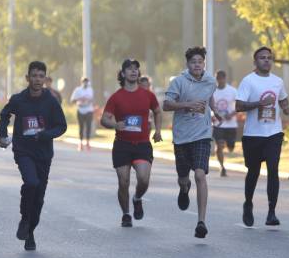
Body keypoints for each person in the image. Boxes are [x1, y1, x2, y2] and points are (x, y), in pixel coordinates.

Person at [0, 61, 67, 251]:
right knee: (31, 183)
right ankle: (24, 218)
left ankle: (30, 231)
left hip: (44, 154)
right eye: (34, 76)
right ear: (27, 78)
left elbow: (61, 126)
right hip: (23, 151)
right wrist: (3, 135)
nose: (37, 79)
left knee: (39, 198)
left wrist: (45, 134)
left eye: (41, 76)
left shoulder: (51, 101)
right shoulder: (18, 99)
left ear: (45, 79)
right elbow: (4, 115)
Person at [163, 46, 220, 239]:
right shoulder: (179, 82)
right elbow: (166, 104)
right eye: (193, 62)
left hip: (202, 135)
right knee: (184, 177)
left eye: (200, 62)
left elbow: (209, 96)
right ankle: (183, 188)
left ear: (204, 64)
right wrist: (187, 105)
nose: (197, 65)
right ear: (187, 64)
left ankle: (201, 222)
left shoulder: (211, 81)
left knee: (200, 175)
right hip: (181, 137)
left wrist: (215, 111)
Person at [101, 59, 163, 227]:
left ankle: (137, 198)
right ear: (123, 74)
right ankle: (126, 214)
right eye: (129, 69)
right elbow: (104, 119)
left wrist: (157, 131)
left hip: (142, 144)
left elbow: (157, 111)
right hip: (122, 144)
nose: (133, 71)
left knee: (143, 179)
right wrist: (115, 124)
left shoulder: (147, 95)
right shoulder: (116, 97)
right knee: (123, 181)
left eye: (136, 69)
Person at [236, 47, 289, 226]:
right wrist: (259, 104)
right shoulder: (248, 81)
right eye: (262, 58)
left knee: (273, 170)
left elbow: (283, 99)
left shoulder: (277, 81)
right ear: (255, 62)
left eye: (269, 58)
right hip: (253, 135)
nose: (266, 60)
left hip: (273, 133)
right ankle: (248, 203)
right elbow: (239, 106)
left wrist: (286, 107)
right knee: (253, 172)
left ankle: (271, 212)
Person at [211, 70, 239, 177]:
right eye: (218, 78)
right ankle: (222, 167)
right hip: (219, 124)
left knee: (231, 147)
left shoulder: (232, 91)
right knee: (219, 145)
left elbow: (239, 105)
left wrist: (232, 114)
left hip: (231, 125)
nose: (220, 80)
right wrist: (212, 116)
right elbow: (209, 106)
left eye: (222, 78)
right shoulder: (213, 92)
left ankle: (229, 145)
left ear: (225, 78)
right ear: (216, 79)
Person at [70, 77, 95, 151]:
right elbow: (72, 100)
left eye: (87, 82)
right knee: (81, 127)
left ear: (88, 82)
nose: (85, 83)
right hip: (80, 110)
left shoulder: (90, 90)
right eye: (84, 82)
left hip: (89, 110)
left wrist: (89, 100)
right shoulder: (78, 90)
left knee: (88, 127)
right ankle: (80, 143)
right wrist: (79, 99)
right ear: (81, 82)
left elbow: (92, 99)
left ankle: (87, 143)